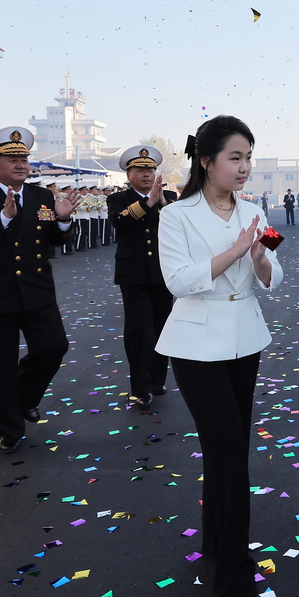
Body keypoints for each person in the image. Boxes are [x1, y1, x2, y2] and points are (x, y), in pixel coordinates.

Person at [156, 115, 283, 597]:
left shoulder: (255, 212)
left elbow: (275, 275)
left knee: (224, 448)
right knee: (230, 453)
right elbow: (179, 281)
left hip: (244, 339)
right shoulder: (177, 215)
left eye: (249, 157)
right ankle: (234, 570)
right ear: (206, 162)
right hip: (194, 343)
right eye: (236, 157)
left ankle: (214, 539)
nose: (245, 166)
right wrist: (234, 251)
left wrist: (258, 258)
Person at [0, 127, 74, 454]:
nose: (21, 164)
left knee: (53, 347)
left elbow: (53, 239)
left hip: (36, 290)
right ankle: (9, 428)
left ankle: (21, 398)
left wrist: (63, 221)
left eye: (24, 158)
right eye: (12, 158)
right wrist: (2, 219)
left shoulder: (42, 197)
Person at [109, 145, 178, 409]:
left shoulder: (169, 197)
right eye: (140, 169)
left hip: (163, 272)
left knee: (162, 328)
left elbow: (180, 226)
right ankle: (141, 386)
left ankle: (158, 379)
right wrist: (148, 203)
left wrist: (162, 203)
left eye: (150, 169)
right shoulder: (119, 199)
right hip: (134, 274)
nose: (147, 174)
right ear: (128, 174)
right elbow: (120, 222)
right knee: (140, 333)